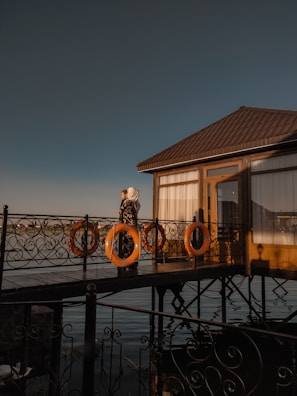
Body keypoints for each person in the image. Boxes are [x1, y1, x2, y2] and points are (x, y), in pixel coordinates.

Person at [119, 187, 140, 269]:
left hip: (126, 226)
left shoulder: (127, 202)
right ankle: (133, 263)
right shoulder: (136, 203)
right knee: (133, 244)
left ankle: (125, 263)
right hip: (134, 226)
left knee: (126, 244)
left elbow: (120, 212)